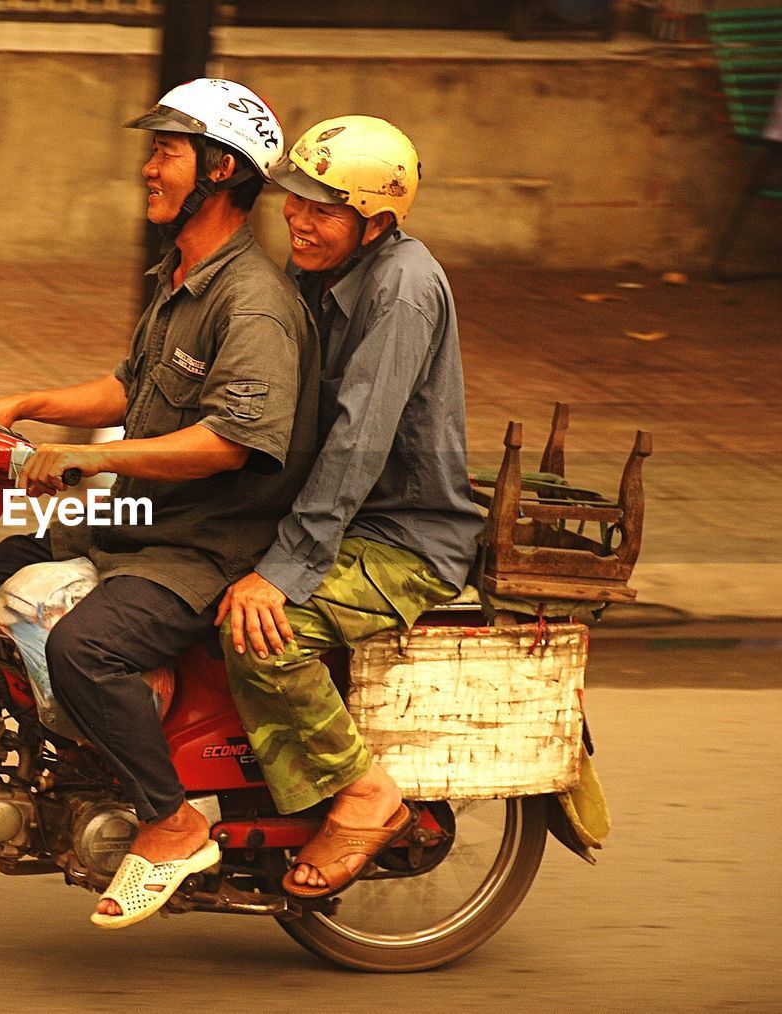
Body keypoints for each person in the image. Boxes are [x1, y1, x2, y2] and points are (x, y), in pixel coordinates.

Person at [0, 79, 320, 928]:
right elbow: (130, 386)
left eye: (166, 151)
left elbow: (231, 442)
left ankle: (170, 820)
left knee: (86, 646)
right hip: (144, 520)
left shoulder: (253, 301)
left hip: (207, 545)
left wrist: (89, 461)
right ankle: (58, 751)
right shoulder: (184, 273)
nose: (148, 168)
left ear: (219, 170)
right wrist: (21, 405)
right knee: (0, 561)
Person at [215, 116, 485, 898]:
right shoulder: (320, 275)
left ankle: (365, 792)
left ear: (377, 223)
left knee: (265, 630)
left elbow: (357, 443)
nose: (298, 220)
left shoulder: (402, 288)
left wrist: (285, 570)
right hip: (341, 520)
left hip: (403, 538)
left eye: (323, 210)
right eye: (294, 200)